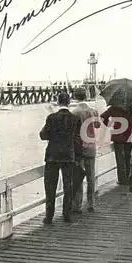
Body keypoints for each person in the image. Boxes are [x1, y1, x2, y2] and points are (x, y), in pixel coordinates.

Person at [39, 92, 81, 224]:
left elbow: (43, 135)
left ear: (58, 102)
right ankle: (67, 214)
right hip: (68, 155)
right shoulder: (75, 119)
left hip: (52, 155)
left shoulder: (51, 117)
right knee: (68, 185)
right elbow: (77, 139)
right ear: (69, 102)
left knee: (50, 186)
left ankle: (49, 216)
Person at [71, 88, 101, 213]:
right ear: (86, 95)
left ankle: (77, 205)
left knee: (77, 177)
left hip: (79, 148)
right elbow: (98, 125)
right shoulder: (93, 111)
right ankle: (91, 204)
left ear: (75, 97)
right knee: (91, 177)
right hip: (91, 146)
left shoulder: (74, 112)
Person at [100, 105, 132, 185]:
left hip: (118, 136)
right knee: (129, 157)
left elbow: (102, 116)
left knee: (119, 157)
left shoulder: (113, 108)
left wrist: (108, 124)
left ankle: (122, 179)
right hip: (129, 135)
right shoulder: (131, 109)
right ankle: (129, 176)